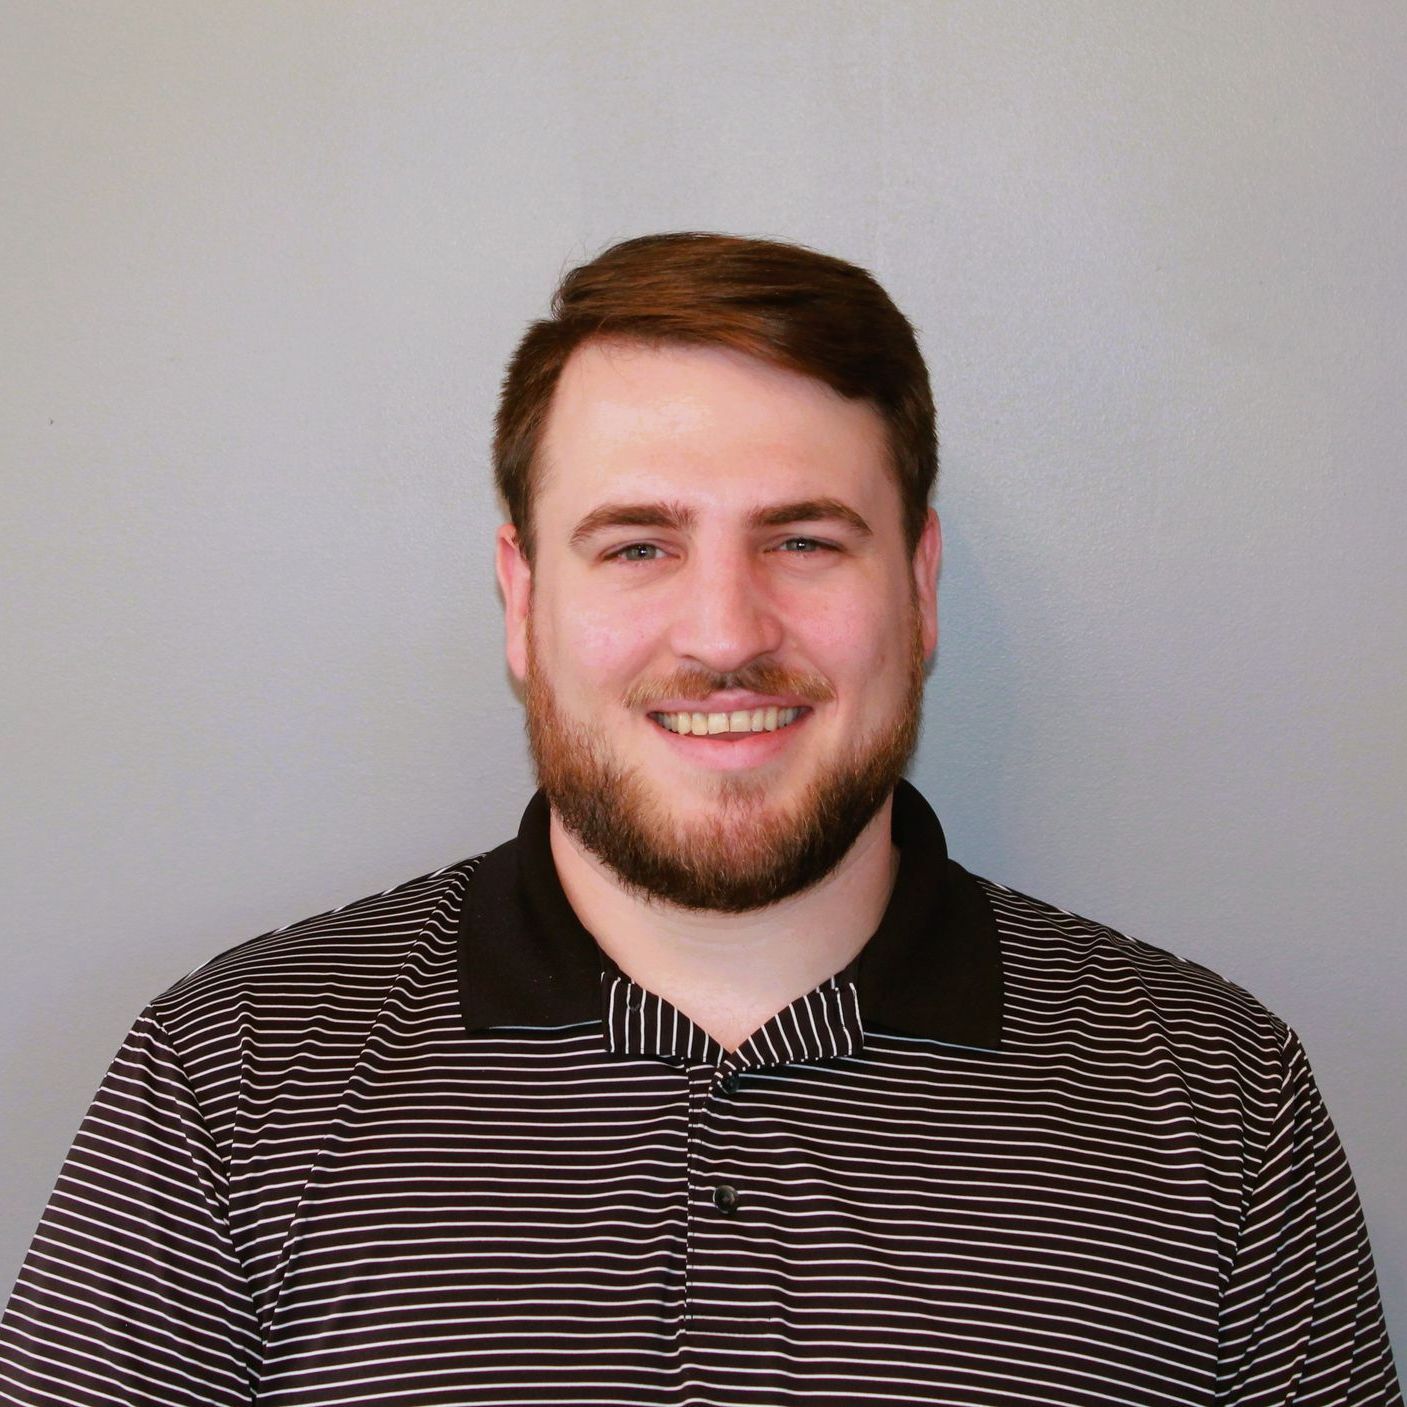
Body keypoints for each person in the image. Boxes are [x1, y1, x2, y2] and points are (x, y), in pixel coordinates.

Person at [0, 232, 1399, 1407]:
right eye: (639, 545)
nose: (726, 634)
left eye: (803, 539)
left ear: (918, 589)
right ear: (524, 598)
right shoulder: (231, 1084)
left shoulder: (1218, 1104)